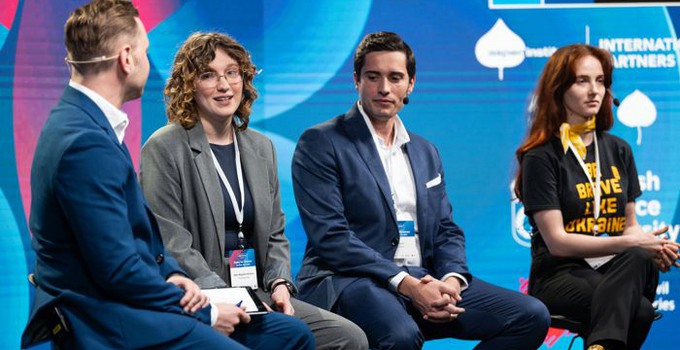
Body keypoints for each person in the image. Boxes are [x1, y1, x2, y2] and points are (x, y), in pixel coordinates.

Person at [20, 1, 313, 349]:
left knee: (293, 334)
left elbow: (134, 245)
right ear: (126, 58)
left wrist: (172, 274)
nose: (147, 60)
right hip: (105, 317)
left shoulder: (79, 122)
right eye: (145, 50)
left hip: (130, 297)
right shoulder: (87, 142)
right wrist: (206, 312)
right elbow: (117, 269)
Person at [291, 31, 550, 350]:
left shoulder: (425, 150)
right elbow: (331, 237)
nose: (384, 88)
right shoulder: (322, 142)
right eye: (373, 77)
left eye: (395, 77)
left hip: (424, 277)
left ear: (410, 84)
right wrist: (407, 284)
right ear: (356, 80)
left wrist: (452, 279)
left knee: (530, 315)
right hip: (352, 279)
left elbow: (445, 230)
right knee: (399, 335)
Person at [140, 32, 367, 350]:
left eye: (232, 73)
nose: (224, 85)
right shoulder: (164, 148)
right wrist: (225, 299)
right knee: (288, 337)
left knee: (348, 338)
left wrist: (279, 284)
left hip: (258, 293)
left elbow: (275, 234)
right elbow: (172, 244)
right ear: (190, 85)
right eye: (208, 75)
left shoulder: (261, 148)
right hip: (202, 300)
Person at [514, 44, 680, 350]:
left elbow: (630, 227)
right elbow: (558, 242)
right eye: (582, 81)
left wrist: (650, 243)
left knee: (641, 256)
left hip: (615, 268)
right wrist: (634, 242)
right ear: (559, 88)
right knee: (639, 310)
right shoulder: (542, 156)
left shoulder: (619, 149)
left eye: (601, 81)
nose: (594, 91)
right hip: (558, 274)